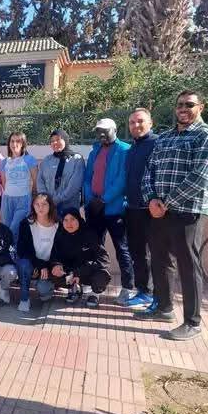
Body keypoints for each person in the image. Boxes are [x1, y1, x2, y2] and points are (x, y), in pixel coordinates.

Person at [138, 90, 208, 341]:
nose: (183, 108)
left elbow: (201, 176)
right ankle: (164, 308)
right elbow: (149, 170)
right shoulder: (165, 137)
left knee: (188, 265)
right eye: (179, 105)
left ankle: (192, 322)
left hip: (189, 211)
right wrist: (152, 199)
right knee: (160, 259)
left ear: (201, 107)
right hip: (158, 210)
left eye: (189, 104)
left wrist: (166, 203)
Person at [83, 118, 135, 305]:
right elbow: (87, 178)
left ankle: (127, 288)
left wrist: (104, 199)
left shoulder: (125, 150)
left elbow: (122, 179)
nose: (101, 134)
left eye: (105, 130)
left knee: (122, 249)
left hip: (114, 209)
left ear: (114, 130)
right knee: (94, 248)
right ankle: (95, 288)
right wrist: (91, 199)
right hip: (94, 209)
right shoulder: (95, 150)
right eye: (98, 131)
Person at [123, 109, 160, 308]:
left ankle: (158, 295)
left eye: (140, 121)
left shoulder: (158, 144)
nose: (136, 125)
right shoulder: (132, 149)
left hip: (151, 209)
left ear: (150, 123)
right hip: (132, 208)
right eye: (132, 122)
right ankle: (143, 291)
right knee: (137, 253)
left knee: (157, 254)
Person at [50, 209, 111, 308]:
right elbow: (55, 254)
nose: (69, 223)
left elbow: (104, 258)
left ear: (78, 219)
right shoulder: (60, 234)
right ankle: (74, 289)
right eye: (65, 220)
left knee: (102, 274)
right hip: (70, 272)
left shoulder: (89, 233)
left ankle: (94, 294)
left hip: (88, 271)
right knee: (52, 272)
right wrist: (56, 265)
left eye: (72, 219)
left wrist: (80, 272)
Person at [16, 193, 59, 312]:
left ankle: (45, 285)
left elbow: (59, 252)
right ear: (33, 206)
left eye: (44, 204)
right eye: (37, 204)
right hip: (32, 264)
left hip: (49, 267)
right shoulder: (26, 223)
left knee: (43, 291)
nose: (40, 208)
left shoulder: (58, 225)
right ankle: (24, 299)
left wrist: (47, 267)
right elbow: (22, 250)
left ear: (50, 206)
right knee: (23, 264)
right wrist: (38, 265)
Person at [0, 131, 38, 244]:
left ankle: (16, 253)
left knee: (15, 229)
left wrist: (34, 198)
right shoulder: (4, 162)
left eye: (18, 141)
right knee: (6, 229)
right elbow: (4, 183)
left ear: (23, 144)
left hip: (23, 199)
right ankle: (8, 252)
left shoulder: (29, 159)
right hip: (7, 200)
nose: (14, 144)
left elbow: (36, 181)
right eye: (12, 141)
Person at [37, 129, 85, 216]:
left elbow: (74, 186)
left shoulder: (77, 159)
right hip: (49, 207)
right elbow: (40, 181)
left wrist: (55, 200)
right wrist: (45, 199)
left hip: (69, 207)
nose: (55, 143)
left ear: (65, 140)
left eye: (58, 139)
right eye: (52, 141)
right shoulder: (47, 160)